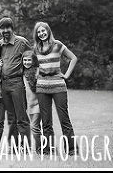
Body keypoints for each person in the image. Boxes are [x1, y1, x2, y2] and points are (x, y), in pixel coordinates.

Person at [32, 21, 79, 155]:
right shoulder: (36, 48)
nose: (41, 34)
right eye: (39, 32)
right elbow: (38, 66)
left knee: (64, 119)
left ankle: (72, 150)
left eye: (43, 31)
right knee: (46, 122)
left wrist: (67, 75)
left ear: (48, 31)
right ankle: (48, 150)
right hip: (42, 88)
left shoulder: (58, 45)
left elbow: (73, 58)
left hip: (58, 86)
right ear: (37, 34)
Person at [0, 17, 32, 152]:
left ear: (12, 29)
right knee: (11, 118)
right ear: (0, 30)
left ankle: (27, 147)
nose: (5, 30)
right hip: (4, 84)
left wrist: (28, 73)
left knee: (21, 117)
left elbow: (33, 58)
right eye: (2, 28)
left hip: (17, 82)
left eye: (8, 28)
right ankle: (14, 147)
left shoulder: (22, 42)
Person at [22, 50, 42, 153]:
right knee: (35, 127)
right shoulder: (22, 73)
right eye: (24, 60)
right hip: (28, 104)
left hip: (38, 103)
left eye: (29, 60)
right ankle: (42, 146)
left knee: (34, 127)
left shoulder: (37, 71)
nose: (26, 62)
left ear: (33, 61)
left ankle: (39, 149)